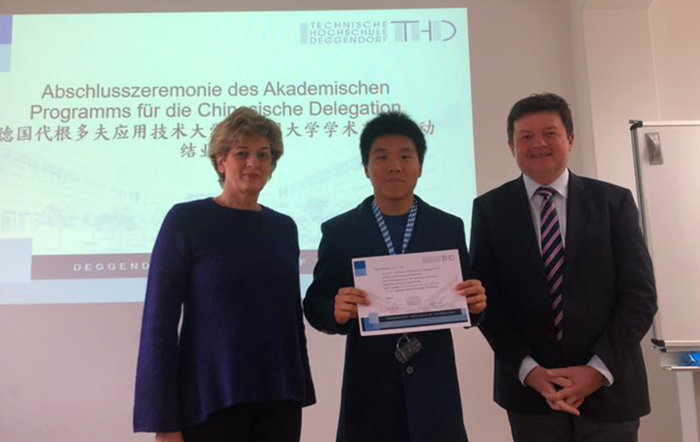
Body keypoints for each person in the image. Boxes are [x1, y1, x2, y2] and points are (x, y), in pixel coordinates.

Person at [470, 93, 657, 442]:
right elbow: (486, 304)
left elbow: (640, 297)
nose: (538, 144)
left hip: (610, 391)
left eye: (550, 133)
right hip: (532, 396)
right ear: (511, 146)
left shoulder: (613, 202)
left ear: (570, 139)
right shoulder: (489, 210)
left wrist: (596, 371)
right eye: (526, 136)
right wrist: (530, 371)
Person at [133, 107, 315, 442]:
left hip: (279, 402)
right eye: (242, 153)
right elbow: (159, 325)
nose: (254, 163)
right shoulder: (186, 221)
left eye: (264, 154)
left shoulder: (283, 227)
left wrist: (299, 388)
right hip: (210, 402)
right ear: (220, 161)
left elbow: (290, 318)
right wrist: (164, 421)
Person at [303, 111, 487, 442]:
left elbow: (468, 299)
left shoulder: (447, 227)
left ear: (420, 166)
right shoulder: (340, 231)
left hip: (434, 389)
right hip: (368, 391)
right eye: (382, 157)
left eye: (406, 156)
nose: (395, 166)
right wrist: (334, 310)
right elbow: (315, 303)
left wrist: (476, 304)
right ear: (366, 167)